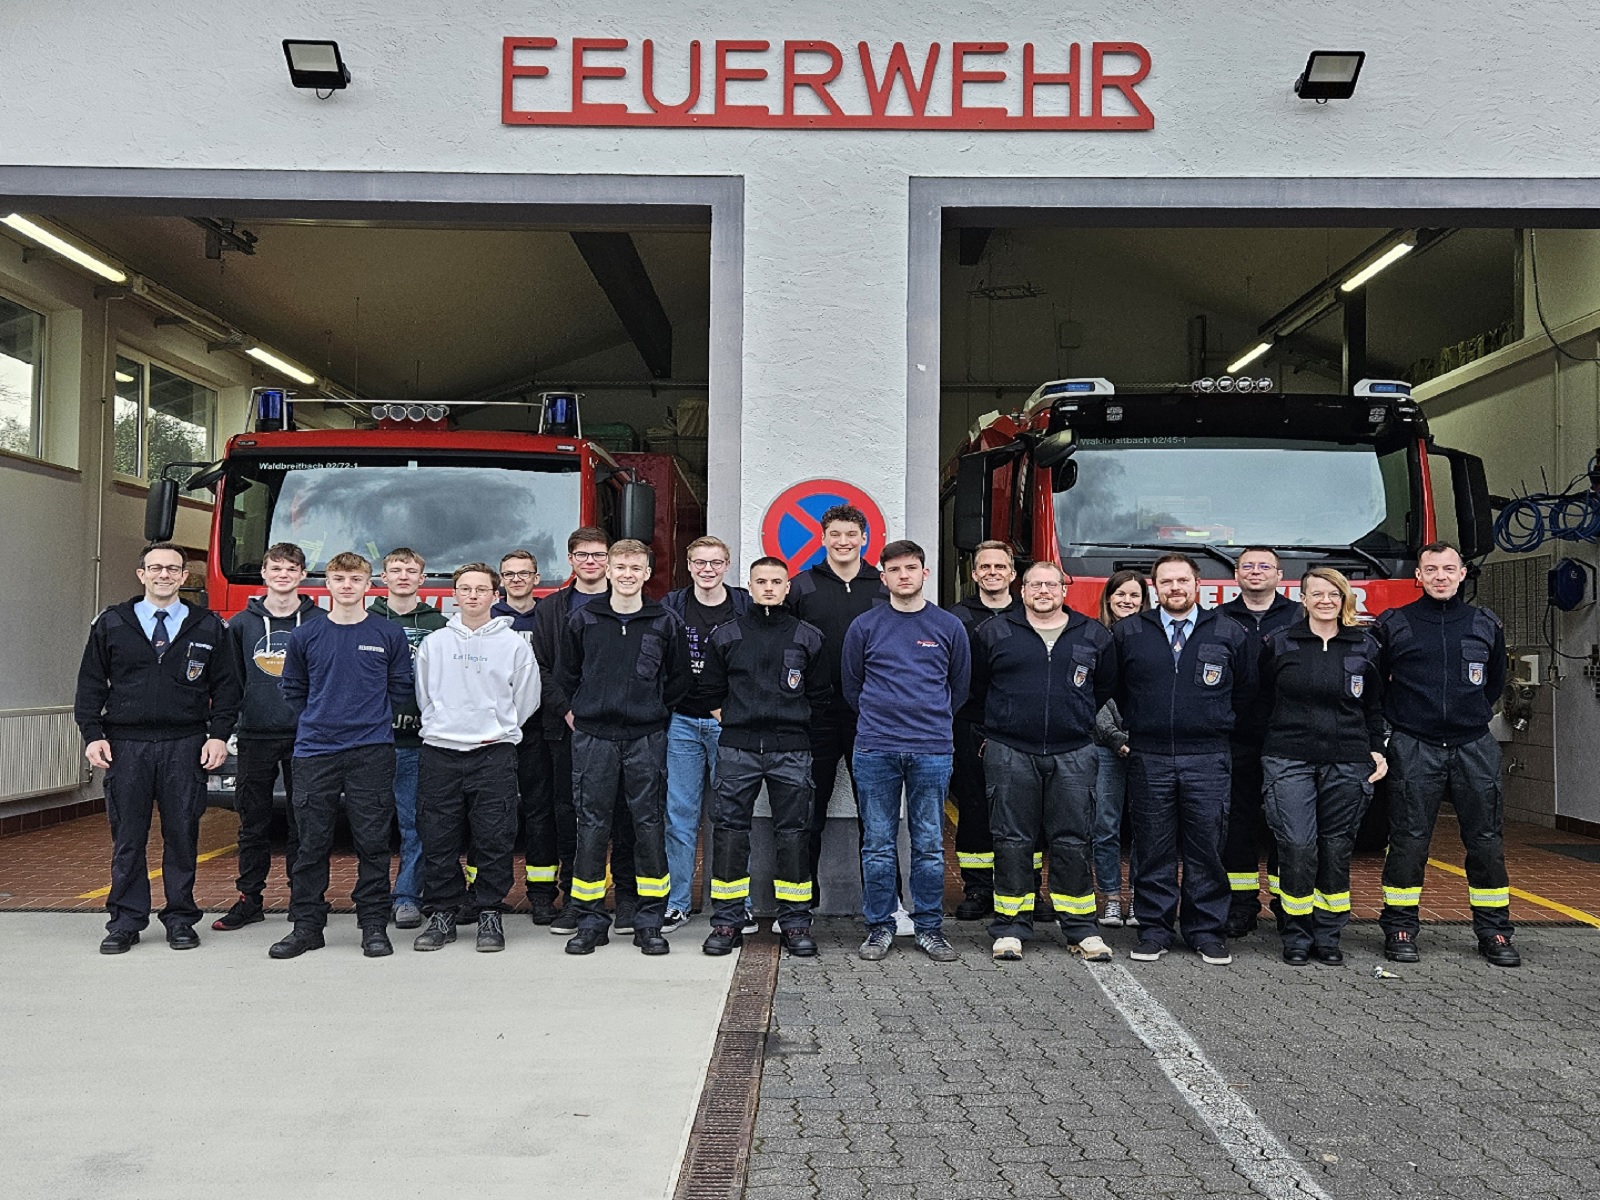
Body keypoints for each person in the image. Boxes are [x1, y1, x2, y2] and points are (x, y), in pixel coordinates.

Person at [74, 542, 241, 954]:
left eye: (172, 569)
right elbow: (90, 685)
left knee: (182, 835)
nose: (164, 575)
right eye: (155, 568)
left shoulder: (207, 626)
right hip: (126, 746)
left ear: (185, 577)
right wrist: (92, 733)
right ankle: (125, 921)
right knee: (128, 837)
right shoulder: (112, 623)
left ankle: (181, 918)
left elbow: (228, 688)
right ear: (141, 574)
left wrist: (219, 734)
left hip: (184, 745)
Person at [1377, 541, 1519, 967]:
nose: (1441, 576)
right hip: (1414, 744)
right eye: (1431, 569)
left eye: (1448, 569)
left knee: (1486, 843)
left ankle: (1495, 932)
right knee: (1407, 843)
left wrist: (1467, 717)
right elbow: (1377, 685)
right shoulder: (1394, 624)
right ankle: (1400, 928)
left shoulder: (1484, 624)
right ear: (1418, 576)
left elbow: (1494, 683)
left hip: (1473, 744)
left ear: (1462, 574)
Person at [1111, 553, 1255, 966]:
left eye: (1182, 581)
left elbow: (1245, 692)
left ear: (1198, 585)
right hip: (1150, 756)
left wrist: (1210, 721)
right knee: (1152, 847)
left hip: (1208, 757)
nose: (1175, 588)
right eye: (1166, 582)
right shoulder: (1129, 631)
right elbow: (1117, 687)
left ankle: (1206, 930)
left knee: (1206, 847)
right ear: (1154, 588)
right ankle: (1154, 930)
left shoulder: (1230, 632)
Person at [970, 560, 1116, 962]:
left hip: (1073, 751)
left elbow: (1103, 687)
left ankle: (1081, 928)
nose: (1043, 592)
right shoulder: (993, 632)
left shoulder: (1093, 635)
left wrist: (1074, 720)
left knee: (1073, 839)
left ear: (1064, 591)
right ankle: (1011, 927)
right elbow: (976, 689)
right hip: (1010, 749)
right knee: (1012, 840)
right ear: (1022, 590)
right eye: (1035, 585)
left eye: (1051, 585)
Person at [271, 552, 414, 959]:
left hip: (372, 750)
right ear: (326, 585)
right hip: (316, 751)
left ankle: (373, 925)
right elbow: (293, 690)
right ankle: (307, 926)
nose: (347, 585)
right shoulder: (306, 635)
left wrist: (362, 718)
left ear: (370, 585)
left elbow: (399, 687)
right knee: (311, 842)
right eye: (339, 578)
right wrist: (324, 720)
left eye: (355, 578)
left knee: (372, 842)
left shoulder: (388, 634)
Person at [556, 539, 692, 955]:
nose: (628, 574)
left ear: (648, 573)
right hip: (594, 736)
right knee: (591, 827)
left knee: (648, 825)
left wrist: (652, 709)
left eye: (637, 567)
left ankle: (649, 920)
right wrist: (583, 709)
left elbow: (680, 678)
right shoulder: (583, 619)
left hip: (645, 736)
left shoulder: (665, 621)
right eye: (621, 567)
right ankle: (591, 919)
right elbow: (567, 673)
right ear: (609, 571)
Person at [842, 539, 970, 963]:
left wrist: (927, 719)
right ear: (884, 578)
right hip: (876, 747)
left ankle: (929, 928)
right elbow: (852, 686)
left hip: (931, 749)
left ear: (924, 573)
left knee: (930, 844)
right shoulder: (864, 626)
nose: (903, 576)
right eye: (894, 570)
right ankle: (880, 927)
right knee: (878, 843)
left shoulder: (948, 627)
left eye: (911, 568)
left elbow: (959, 687)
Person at [698, 556, 830, 956]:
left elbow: (821, 695)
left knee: (794, 837)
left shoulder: (808, 636)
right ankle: (727, 922)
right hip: (738, 748)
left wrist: (794, 725)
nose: (769, 587)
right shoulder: (727, 635)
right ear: (749, 586)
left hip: (791, 750)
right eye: (761, 581)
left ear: (788, 587)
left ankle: (794, 923)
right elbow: (708, 690)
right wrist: (737, 721)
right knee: (730, 835)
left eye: (776, 581)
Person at [1258, 568, 1387, 965]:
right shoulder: (1280, 644)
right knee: (1297, 845)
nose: (1325, 600)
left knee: (1335, 849)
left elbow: (1375, 706)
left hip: (1347, 762)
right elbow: (1259, 699)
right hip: (1288, 758)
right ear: (1303, 599)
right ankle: (1296, 932)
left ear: (1345, 598)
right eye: (1317, 594)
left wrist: (1377, 749)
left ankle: (1328, 933)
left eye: (1333, 594)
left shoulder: (1365, 647)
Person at [411, 564, 541, 953]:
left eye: (481, 589)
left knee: (494, 837)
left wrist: (498, 726)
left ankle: (489, 912)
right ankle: (444, 913)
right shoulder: (435, 644)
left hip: (493, 753)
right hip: (441, 752)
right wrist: (446, 725)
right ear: (454, 596)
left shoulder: (513, 645)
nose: (472, 595)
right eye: (465, 589)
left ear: (494, 596)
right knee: (438, 837)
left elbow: (526, 698)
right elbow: (424, 698)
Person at [529, 528, 639, 935]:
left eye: (598, 555)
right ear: (571, 559)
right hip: (568, 729)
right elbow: (541, 668)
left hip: (626, 732)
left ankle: (627, 899)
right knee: (572, 816)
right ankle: (578, 901)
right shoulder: (552, 609)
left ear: (609, 561)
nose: (591, 561)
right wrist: (568, 711)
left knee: (626, 815)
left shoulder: (637, 606)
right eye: (582, 555)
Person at [214, 541, 323, 932]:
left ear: (302, 574)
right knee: (253, 822)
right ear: (264, 574)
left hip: (306, 737)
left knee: (304, 821)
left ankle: (304, 898)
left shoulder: (318, 622)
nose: (283, 575)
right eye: (275, 568)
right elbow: (231, 681)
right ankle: (250, 899)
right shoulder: (242, 624)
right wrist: (229, 725)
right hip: (256, 734)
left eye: (290, 569)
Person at [787, 503, 888, 912]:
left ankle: (885, 904)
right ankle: (800, 907)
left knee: (876, 818)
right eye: (835, 535)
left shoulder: (882, 587)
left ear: (865, 539)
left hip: (872, 716)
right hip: (816, 714)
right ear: (823, 538)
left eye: (851, 535)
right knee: (808, 813)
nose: (843, 542)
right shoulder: (801, 586)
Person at [662, 535, 751, 932]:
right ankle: (678, 902)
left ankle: (737, 903)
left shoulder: (744, 605)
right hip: (681, 721)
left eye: (715, 562)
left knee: (730, 817)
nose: (708, 570)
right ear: (689, 564)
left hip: (727, 725)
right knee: (679, 816)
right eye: (700, 562)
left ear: (727, 564)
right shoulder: (672, 606)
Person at [1218, 547, 1299, 938]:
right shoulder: (1218, 619)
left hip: (1287, 737)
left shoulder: (1299, 616)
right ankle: (1241, 905)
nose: (1255, 572)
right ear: (1236, 574)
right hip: (1235, 738)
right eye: (1247, 566)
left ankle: (1288, 905)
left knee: (1288, 824)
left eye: (1264, 566)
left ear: (1279, 575)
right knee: (1239, 825)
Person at [368, 548, 446, 929]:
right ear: (383, 578)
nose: (403, 576)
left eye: (410, 570)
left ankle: (407, 897)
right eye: (395, 570)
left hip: (418, 741)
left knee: (414, 824)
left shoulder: (440, 624)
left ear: (422, 578)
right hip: (371, 740)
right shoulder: (365, 621)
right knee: (370, 824)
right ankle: (371, 895)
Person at [946, 540, 1022, 922]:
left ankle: (1024, 889)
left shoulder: (1030, 613)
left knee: (1024, 812)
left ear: (1012, 573)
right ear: (974, 574)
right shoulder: (955, 618)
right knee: (974, 808)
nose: (992, 573)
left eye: (1000, 566)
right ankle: (977, 889)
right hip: (971, 725)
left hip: (1020, 729)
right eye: (984, 567)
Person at [485, 548, 562, 923]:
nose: (516, 579)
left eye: (524, 573)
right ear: (501, 580)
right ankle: (483, 891)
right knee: (488, 813)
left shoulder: (549, 616)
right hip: (492, 730)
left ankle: (543, 893)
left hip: (539, 729)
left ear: (536, 578)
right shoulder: (485, 617)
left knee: (540, 811)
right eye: (509, 573)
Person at [1092, 570, 1147, 929]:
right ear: (1108, 598)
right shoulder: (1094, 638)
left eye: (1135, 596)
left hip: (1145, 748)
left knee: (1148, 829)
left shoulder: (1152, 641)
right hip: (1106, 749)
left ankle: (1142, 901)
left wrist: (1137, 737)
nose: (1127, 601)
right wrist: (1116, 737)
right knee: (1105, 826)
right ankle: (1111, 899)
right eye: (1121, 594)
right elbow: (1094, 695)